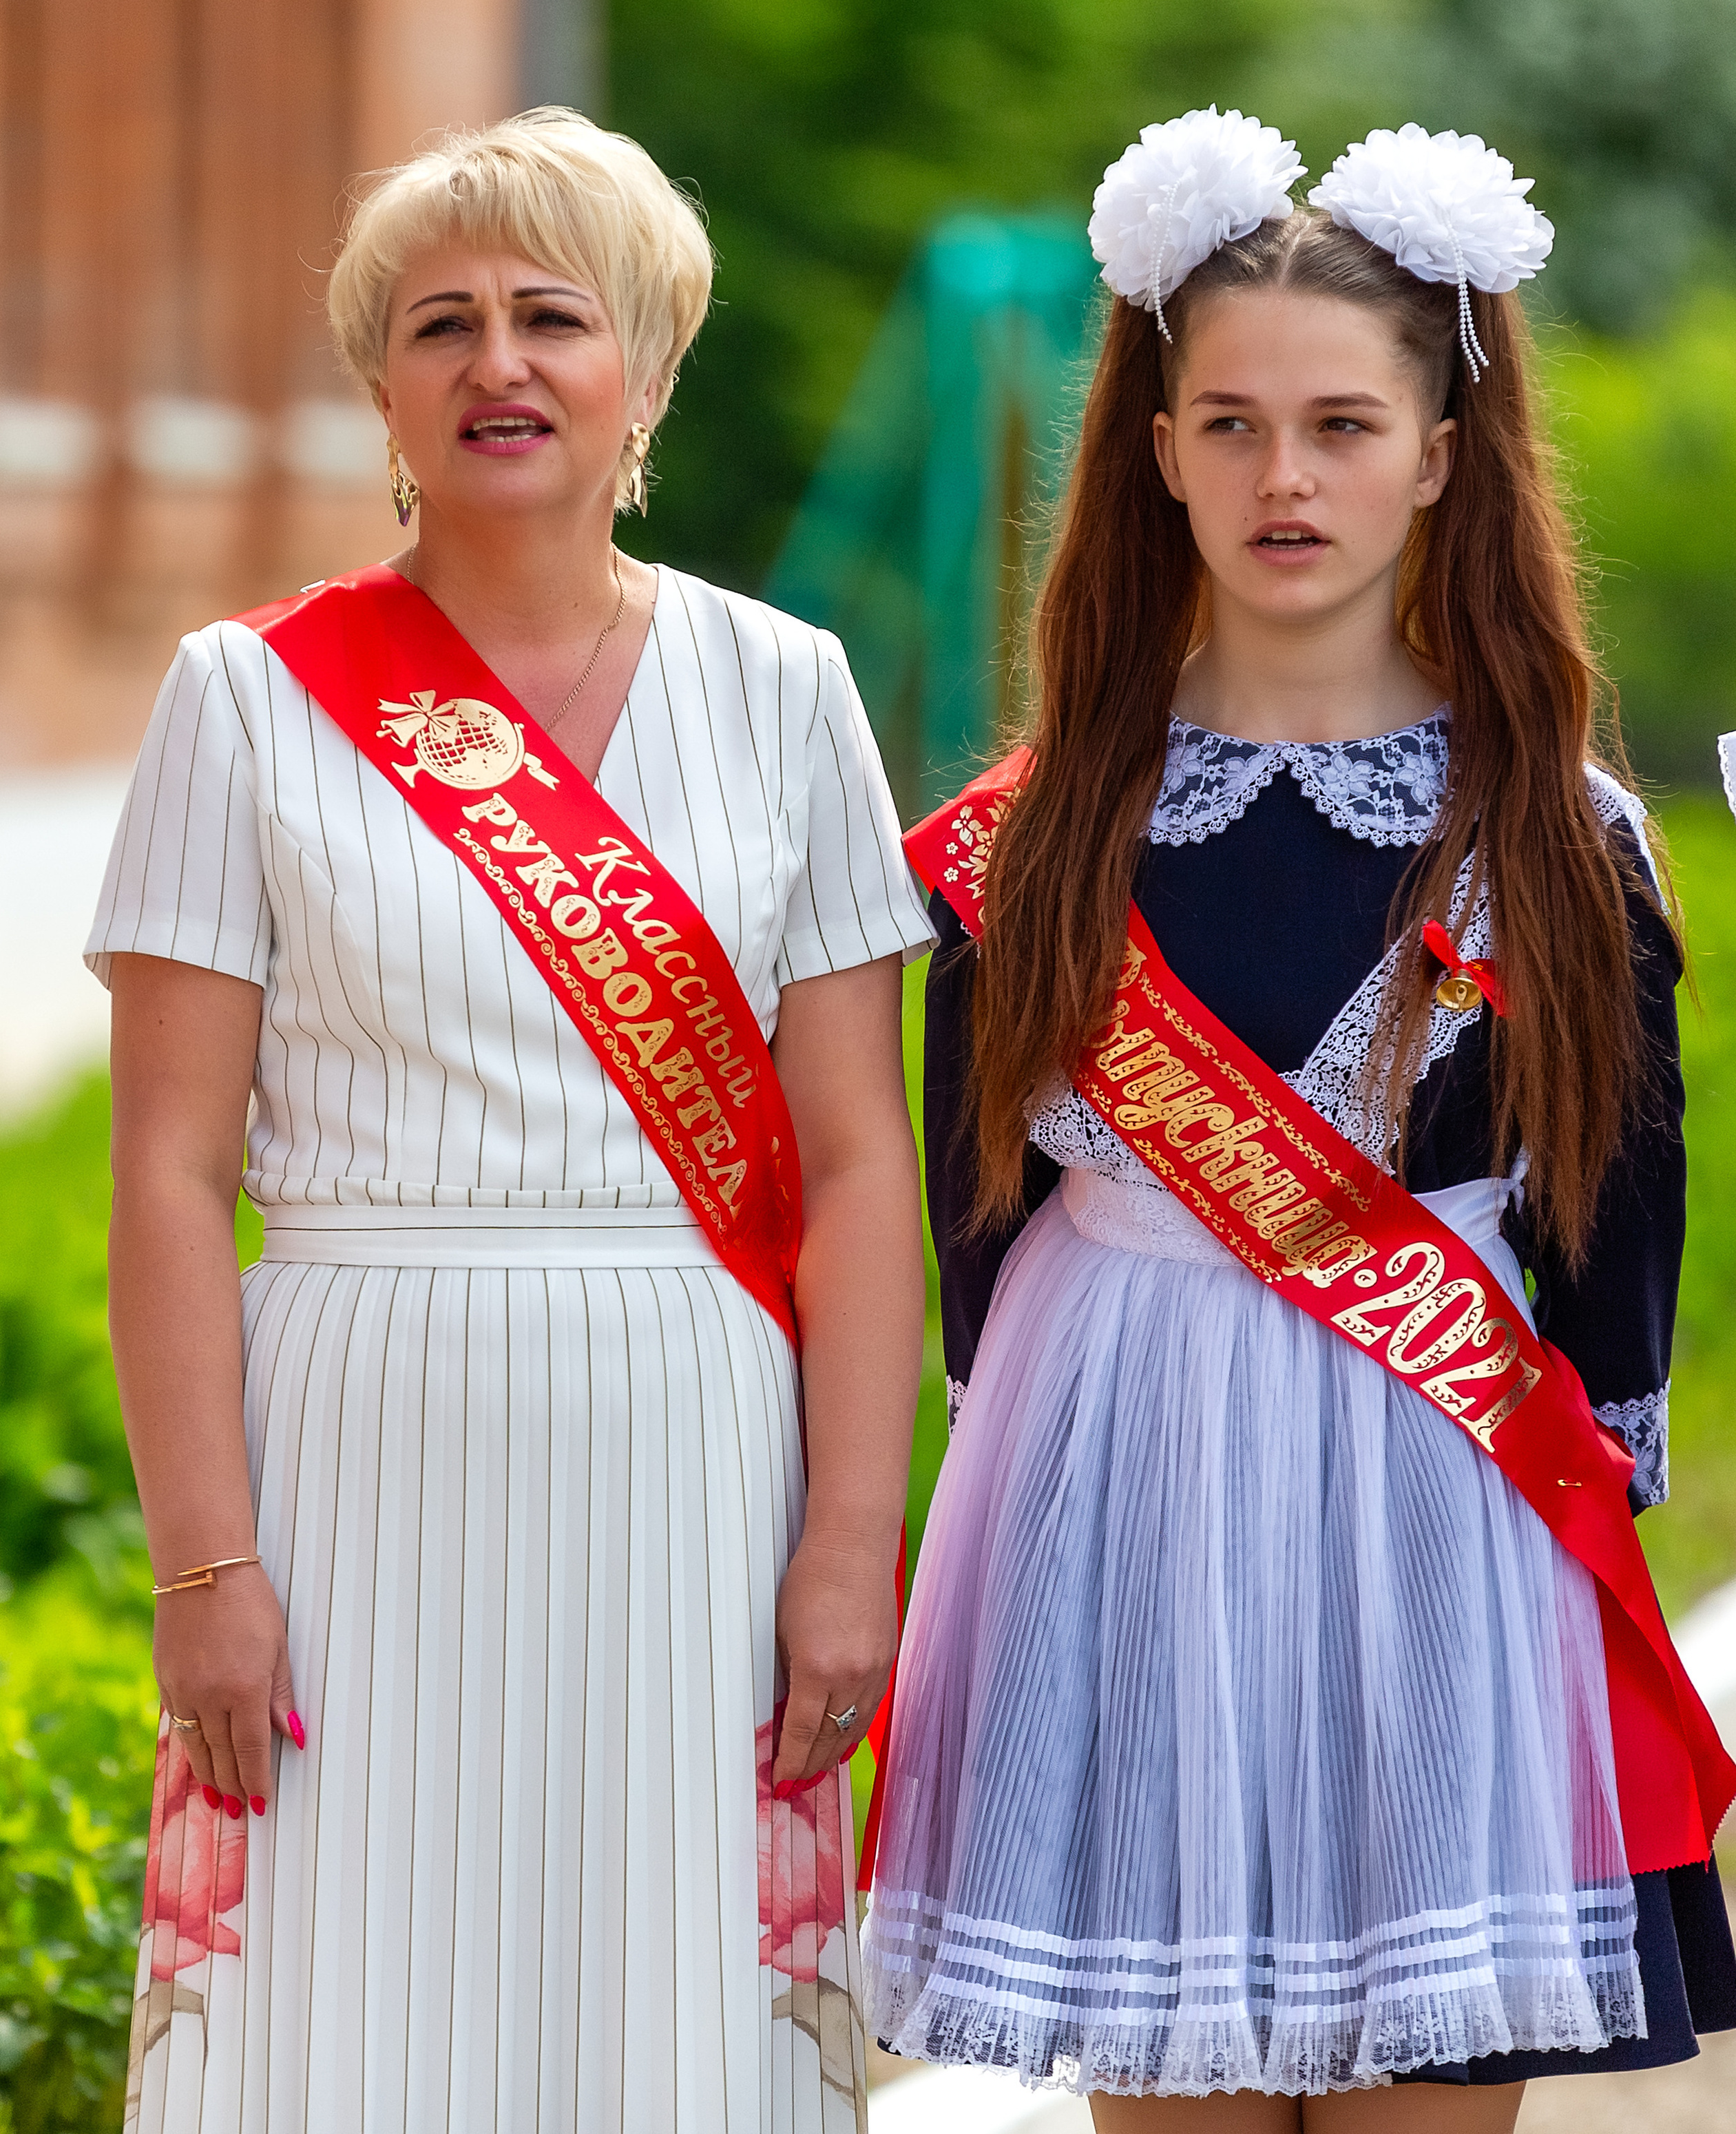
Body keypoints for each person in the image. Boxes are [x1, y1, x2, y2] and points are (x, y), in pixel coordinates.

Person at [862, 109, 1736, 2126]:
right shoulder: (1033, 836)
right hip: (1123, 1480)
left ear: (1440, 451)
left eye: (1343, 426)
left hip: (1444, 1486)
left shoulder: (1559, 832)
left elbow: (1619, 1204)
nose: (1286, 477)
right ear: (1158, 451)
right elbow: (975, 1220)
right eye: (1233, 425)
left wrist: (1604, 1460)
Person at [91, 108, 930, 2132]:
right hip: (347, 1449)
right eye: (439, 322)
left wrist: (848, 1542)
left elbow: (856, 1162)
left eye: (553, 316)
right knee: (349, 2012)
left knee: (670, 2022)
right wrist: (204, 1566)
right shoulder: (245, 696)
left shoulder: (786, 688)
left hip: (696, 1450)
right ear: (383, 386)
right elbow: (170, 1171)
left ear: (644, 367)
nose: (499, 362)